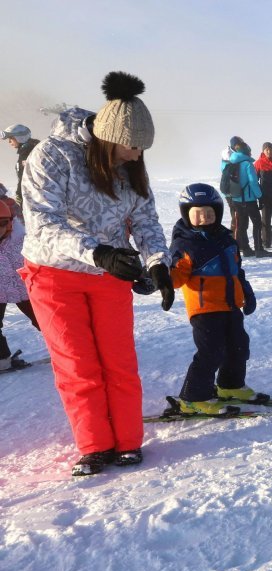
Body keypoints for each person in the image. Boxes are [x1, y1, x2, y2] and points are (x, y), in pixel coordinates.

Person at [20, 71, 174, 476]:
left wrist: (158, 263)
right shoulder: (51, 156)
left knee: (118, 362)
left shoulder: (127, 165)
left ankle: (127, 442)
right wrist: (98, 252)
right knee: (78, 364)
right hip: (55, 274)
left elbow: (144, 219)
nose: (138, 155)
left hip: (110, 273)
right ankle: (95, 446)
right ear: (108, 137)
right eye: (132, 146)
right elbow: (43, 223)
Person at [166, 184, 261, 415]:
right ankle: (193, 398)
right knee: (211, 352)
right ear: (186, 213)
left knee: (238, 347)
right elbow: (176, 276)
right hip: (205, 308)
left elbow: (237, 270)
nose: (204, 217)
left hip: (230, 305)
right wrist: (159, 279)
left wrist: (246, 291)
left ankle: (231, 385)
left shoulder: (226, 239)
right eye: (197, 213)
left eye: (209, 212)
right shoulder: (185, 244)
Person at [0, 196, 40, 370]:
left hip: (25, 289)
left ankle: (74, 347)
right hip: (0, 291)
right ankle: (2, 361)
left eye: (2, 223)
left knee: (44, 319)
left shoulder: (21, 240)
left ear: (9, 223)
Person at [225, 142, 272, 258]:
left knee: (241, 224)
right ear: (245, 151)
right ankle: (259, 249)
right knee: (257, 223)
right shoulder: (247, 164)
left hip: (236, 199)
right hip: (249, 200)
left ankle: (246, 249)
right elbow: (253, 182)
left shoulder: (230, 163)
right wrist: (260, 196)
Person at [1, 124, 39, 206]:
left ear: (20, 138)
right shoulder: (34, 149)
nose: (9, 142)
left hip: (34, 198)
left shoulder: (27, 152)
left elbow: (24, 176)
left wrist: (19, 195)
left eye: (11, 138)